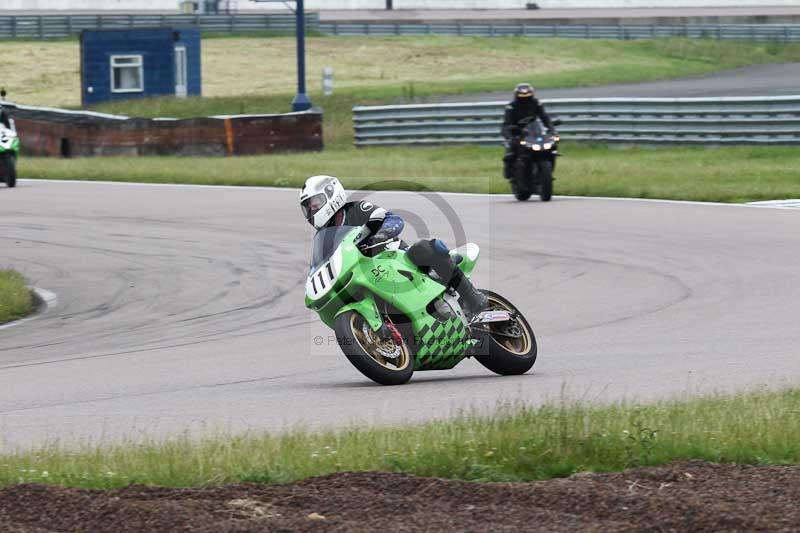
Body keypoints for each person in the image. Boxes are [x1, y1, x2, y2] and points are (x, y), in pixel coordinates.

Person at [299, 175, 487, 316]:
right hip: (365, 272)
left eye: (314, 203)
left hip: (394, 255)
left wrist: (378, 237)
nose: (311, 210)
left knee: (426, 247)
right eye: (307, 207)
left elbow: (392, 219)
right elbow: (320, 264)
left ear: (331, 195)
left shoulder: (356, 210)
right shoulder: (322, 238)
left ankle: (472, 297)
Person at [501, 83, 555, 179]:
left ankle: (547, 172)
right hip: (517, 131)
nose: (525, 100)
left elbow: (545, 118)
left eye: (527, 97)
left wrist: (552, 130)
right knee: (512, 150)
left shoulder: (536, 103)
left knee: (552, 147)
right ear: (517, 96)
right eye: (522, 97)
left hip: (533, 131)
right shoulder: (511, 106)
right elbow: (507, 123)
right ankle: (510, 171)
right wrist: (510, 134)